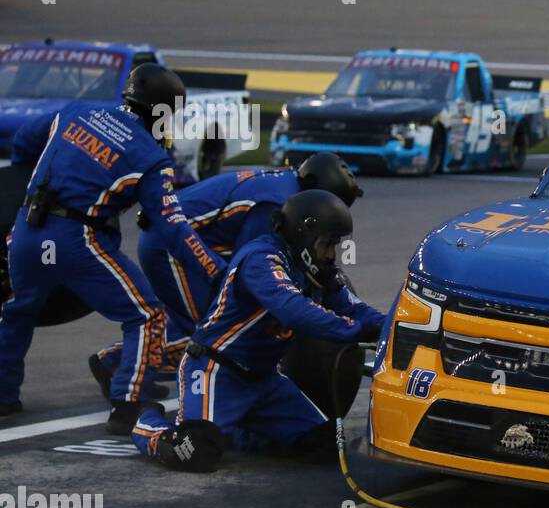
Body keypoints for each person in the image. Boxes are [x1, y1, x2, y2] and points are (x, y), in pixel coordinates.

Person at [0, 64, 227, 432]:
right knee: (146, 315)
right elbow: (171, 227)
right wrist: (215, 268)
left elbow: (25, 141)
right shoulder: (151, 157)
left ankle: (4, 396)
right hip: (76, 241)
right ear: (161, 111)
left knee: (17, 311)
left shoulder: (77, 111)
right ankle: (128, 404)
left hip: (25, 228)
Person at [131, 189, 385, 471]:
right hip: (217, 371)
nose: (330, 254)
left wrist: (389, 327)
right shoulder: (261, 258)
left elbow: (354, 307)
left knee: (325, 444)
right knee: (194, 450)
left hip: (266, 381)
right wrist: (358, 332)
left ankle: (240, 432)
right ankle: (147, 422)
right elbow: (294, 309)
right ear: (304, 236)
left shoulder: (316, 270)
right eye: (326, 244)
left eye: (335, 245)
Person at [88, 153, 363, 395]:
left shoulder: (287, 184)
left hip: (185, 237)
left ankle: (119, 361)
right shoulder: (276, 203)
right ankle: (117, 362)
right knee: (219, 330)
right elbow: (253, 266)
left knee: (211, 319)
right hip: (171, 245)